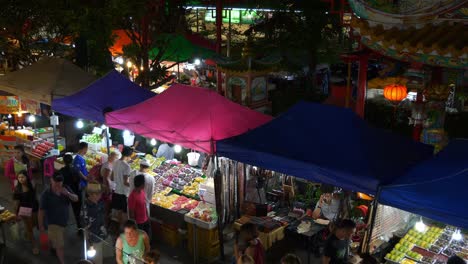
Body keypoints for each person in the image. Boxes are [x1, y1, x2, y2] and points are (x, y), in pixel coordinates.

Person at [39, 172, 79, 264]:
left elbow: (76, 199)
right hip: (53, 223)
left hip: (64, 222)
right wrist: (41, 225)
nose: (58, 183)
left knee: (55, 241)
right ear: (51, 180)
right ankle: (62, 261)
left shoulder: (66, 189)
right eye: (56, 181)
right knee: (60, 246)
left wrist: (68, 193)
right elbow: (41, 212)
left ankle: (52, 246)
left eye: (60, 181)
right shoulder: (46, 194)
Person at [13, 170, 39, 255]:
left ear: (27, 177)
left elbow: (35, 196)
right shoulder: (17, 189)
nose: (21, 179)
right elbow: (16, 203)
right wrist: (16, 214)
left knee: (35, 224)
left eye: (22, 177)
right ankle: (34, 246)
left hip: (34, 208)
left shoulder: (32, 185)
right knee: (30, 229)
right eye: (19, 177)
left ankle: (26, 233)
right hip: (24, 210)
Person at [82, 181, 107, 264]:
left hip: (101, 235)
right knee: (95, 260)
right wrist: (90, 244)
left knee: (100, 258)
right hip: (93, 238)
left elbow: (103, 218)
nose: (101, 195)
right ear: (92, 194)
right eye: (99, 194)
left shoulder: (100, 203)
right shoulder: (86, 206)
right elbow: (84, 226)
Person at [111, 146, 133, 227]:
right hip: (123, 193)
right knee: (124, 213)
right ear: (129, 156)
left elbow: (112, 178)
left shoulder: (115, 162)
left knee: (117, 213)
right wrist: (133, 185)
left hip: (116, 190)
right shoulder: (127, 166)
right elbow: (125, 182)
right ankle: (122, 230)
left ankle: (116, 230)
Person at [60, 154, 82, 231]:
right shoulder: (75, 170)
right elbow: (79, 182)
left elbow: (61, 183)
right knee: (77, 211)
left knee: (65, 208)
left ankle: (63, 224)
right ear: (72, 161)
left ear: (63, 161)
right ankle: (79, 227)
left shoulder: (61, 171)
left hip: (65, 192)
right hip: (75, 192)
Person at [128, 175, 151, 241]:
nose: (145, 184)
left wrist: (147, 216)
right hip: (139, 223)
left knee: (148, 237)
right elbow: (131, 212)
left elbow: (144, 204)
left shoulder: (142, 192)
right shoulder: (132, 197)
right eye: (144, 183)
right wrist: (134, 226)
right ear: (142, 184)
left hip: (145, 220)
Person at [101, 151, 119, 225]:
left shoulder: (110, 164)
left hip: (110, 188)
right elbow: (106, 179)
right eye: (116, 158)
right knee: (107, 208)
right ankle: (105, 224)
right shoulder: (108, 166)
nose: (117, 159)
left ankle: (107, 223)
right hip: (108, 190)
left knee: (108, 208)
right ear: (111, 157)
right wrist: (107, 189)